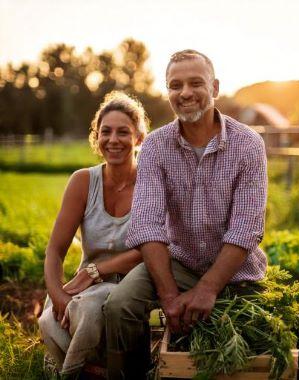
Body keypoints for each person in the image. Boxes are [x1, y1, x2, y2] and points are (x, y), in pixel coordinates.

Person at [103, 49, 268, 380]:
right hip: (177, 263)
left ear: (215, 87)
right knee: (119, 308)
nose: (185, 93)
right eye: (175, 85)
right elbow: (147, 225)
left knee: (254, 336)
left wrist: (207, 288)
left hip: (235, 270)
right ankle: (137, 373)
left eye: (196, 83)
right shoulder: (154, 146)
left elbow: (246, 229)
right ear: (168, 92)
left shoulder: (248, 145)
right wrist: (168, 295)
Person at [38, 91, 148, 377]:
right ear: (96, 138)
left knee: (88, 309)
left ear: (138, 138)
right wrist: (58, 294)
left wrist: (96, 271)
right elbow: (55, 250)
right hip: (82, 285)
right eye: (105, 132)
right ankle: (90, 369)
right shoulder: (83, 181)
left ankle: (70, 371)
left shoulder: (150, 183)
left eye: (123, 132)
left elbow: (151, 249)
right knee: (48, 320)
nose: (113, 140)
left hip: (127, 287)